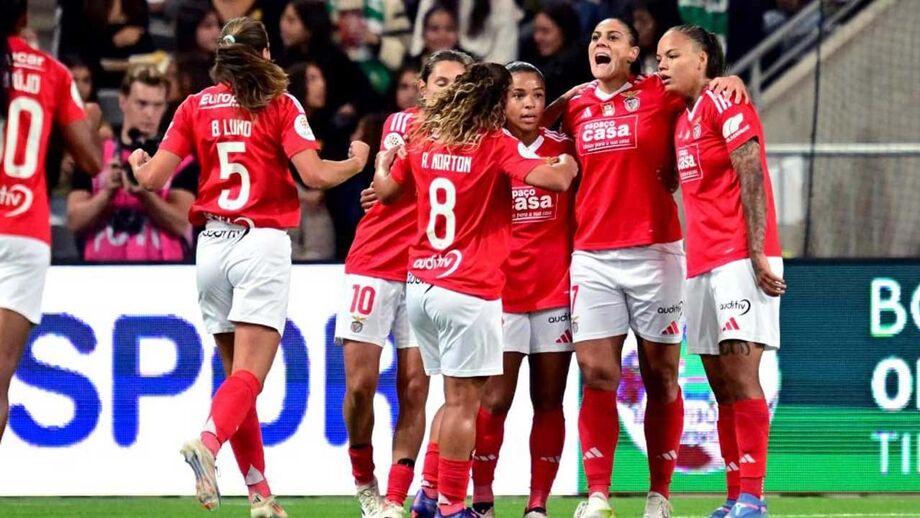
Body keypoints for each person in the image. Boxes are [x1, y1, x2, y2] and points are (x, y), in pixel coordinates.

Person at [127, 17, 369, 517]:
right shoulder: (281, 103)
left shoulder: (195, 105)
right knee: (250, 379)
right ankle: (207, 444)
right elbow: (314, 175)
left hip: (211, 246)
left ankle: (261, 495)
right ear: (264, 56)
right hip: (260, 244)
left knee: (237, 381)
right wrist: (356, 162)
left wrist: (135, 163)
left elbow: (151, 179)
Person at [544, 17, 747, 518]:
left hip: (656, 253)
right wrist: (563, 97)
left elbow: (707, 91)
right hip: (592, 255)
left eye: (613, 37)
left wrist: (731, 78)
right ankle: (598, 495)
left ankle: (659, 495)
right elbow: (530, 125)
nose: (601, 43)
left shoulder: (661, 92)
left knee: (661, 375)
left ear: (635, 54)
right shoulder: (576, 105)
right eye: (595, 38)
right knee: (597, 371)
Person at [373, 62, 578, 518]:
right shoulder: (492, 144)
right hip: (468, 289)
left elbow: (386, 190)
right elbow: (557, 180)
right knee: (466, 405)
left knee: (451, 400)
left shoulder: (425, 137)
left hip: (422, 285)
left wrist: (382, 163)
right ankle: (451, 506)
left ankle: (428, 496)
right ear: (497, 103)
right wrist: (567, 161)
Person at [657, 25, 785, 518]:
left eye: (673, 55)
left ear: (703, 60)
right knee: (720, 384)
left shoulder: (726, 103)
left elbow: (751, 169)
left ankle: (753, 496)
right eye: (659, 57)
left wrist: (757, 251)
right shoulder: (680, 116)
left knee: (741, 373)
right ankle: (735, 496)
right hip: (701, 262)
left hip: (739, 257)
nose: (662, 65)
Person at [338, 49, 472, 518]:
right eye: (442, 82)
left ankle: (395, 498)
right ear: (423, 88)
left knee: (415, 387)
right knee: (360, 385)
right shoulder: (401, 124)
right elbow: (393, 184)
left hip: (425, 270)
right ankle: (364, 478)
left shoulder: (477, 137)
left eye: (460, 84)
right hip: (374, 261)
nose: (450, 92)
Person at [469, 62, 576, 518]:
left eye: (537, 95)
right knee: (494, 401)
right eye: (518, 95)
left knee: (548, 401)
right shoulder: (486, 147)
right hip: (502, 294)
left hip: (555, 292)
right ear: (501, 102)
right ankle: (482, 498)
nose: (530, 104)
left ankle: (537, 504)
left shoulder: (565, 147)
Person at [0, 0, 102, 444]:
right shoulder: (52, 72)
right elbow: (91, 160)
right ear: (24, 17)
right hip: (24, 232)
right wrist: (89, 120)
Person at [67, 65, 195, 262]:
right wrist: (107, 194)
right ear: (123, 101)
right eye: (142, 104)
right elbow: (74, 221)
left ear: (165, 107)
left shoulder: (180, 160)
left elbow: (181, 224)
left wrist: (145, 194)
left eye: (157, 105)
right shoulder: (93, 155)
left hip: (163, 270)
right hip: (100, 270)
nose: (150, 113)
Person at [518, 2, 592, 102]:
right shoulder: (532, 60)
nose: (537, 37)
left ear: (565, 32)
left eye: (545, 31)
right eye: (536, 31)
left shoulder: (582, 70)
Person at [409, 0, 523, 64]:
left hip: (482, 69)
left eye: (449, 28)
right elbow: (418, 44)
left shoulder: (503, 4)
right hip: (433, 59)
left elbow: (504, 58)